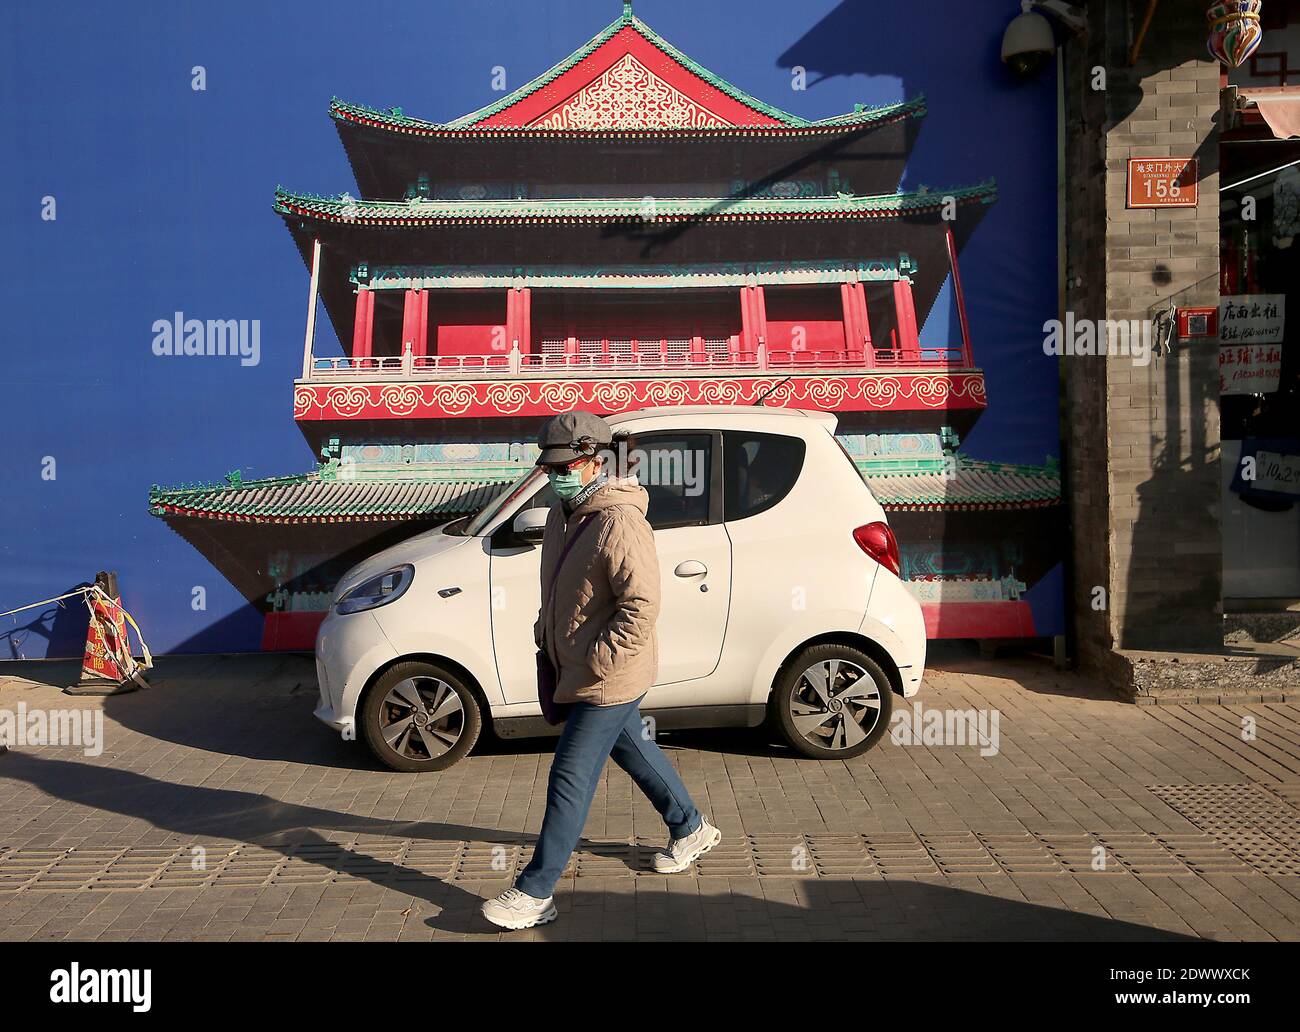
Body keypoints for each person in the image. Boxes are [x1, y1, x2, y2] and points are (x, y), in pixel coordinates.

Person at [480, 411, 720, 930]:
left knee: (570, 774)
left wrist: (603, 660)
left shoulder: (619, 520)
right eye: (551, 466)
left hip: (609, 674)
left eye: (566, 464)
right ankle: (691, 826)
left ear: (596, 461)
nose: (556, 473)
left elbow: (642, 603)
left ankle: (536, 891)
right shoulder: (567, 513)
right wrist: (548, 629)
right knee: (634, 749)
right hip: (583, 667)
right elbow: (568, 589)